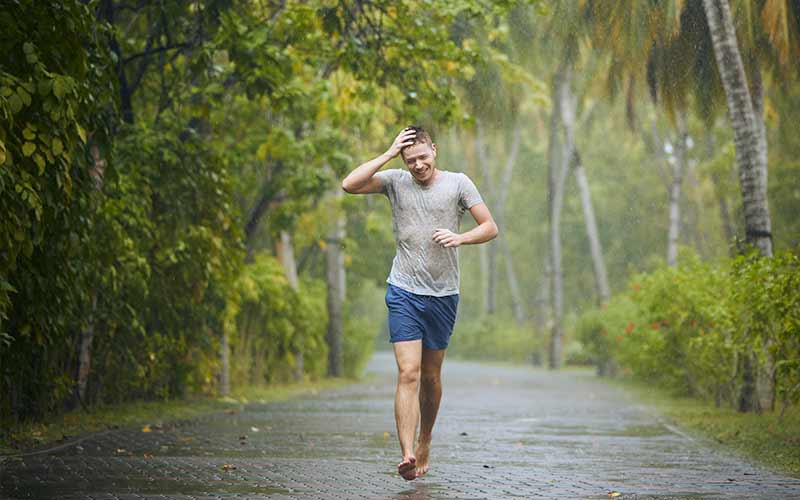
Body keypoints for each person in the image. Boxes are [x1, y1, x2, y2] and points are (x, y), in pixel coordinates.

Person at [341, 126, 498, 480]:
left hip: (443, 294)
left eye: (423, 157)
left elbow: (490, 227)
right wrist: (387, 153)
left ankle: (425, 437)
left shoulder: (458, 183)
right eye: (410, 160)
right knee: (408, 373)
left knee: (430, 377)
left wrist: (461, 237)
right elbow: (349, 185)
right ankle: (407, 452)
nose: (418, 166)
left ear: (435, 151)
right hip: (404, 291)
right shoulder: (395, 181)